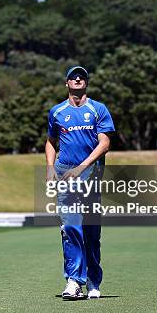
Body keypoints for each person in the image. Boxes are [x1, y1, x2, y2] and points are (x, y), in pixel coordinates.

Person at [45, 66, 115, 300]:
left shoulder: (98, 109)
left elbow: (104, 144)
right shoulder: (57, 112)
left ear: (86, 83)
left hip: (91, 176)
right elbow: (50, 141)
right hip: (66, 176)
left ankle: (94, 280)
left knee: (91, 233)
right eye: (73, 77)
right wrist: (49, 167)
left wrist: (81, 168)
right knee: (70, 228)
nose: (77, 79)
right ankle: (74, 280)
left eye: (82, 77)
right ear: (66, 83)